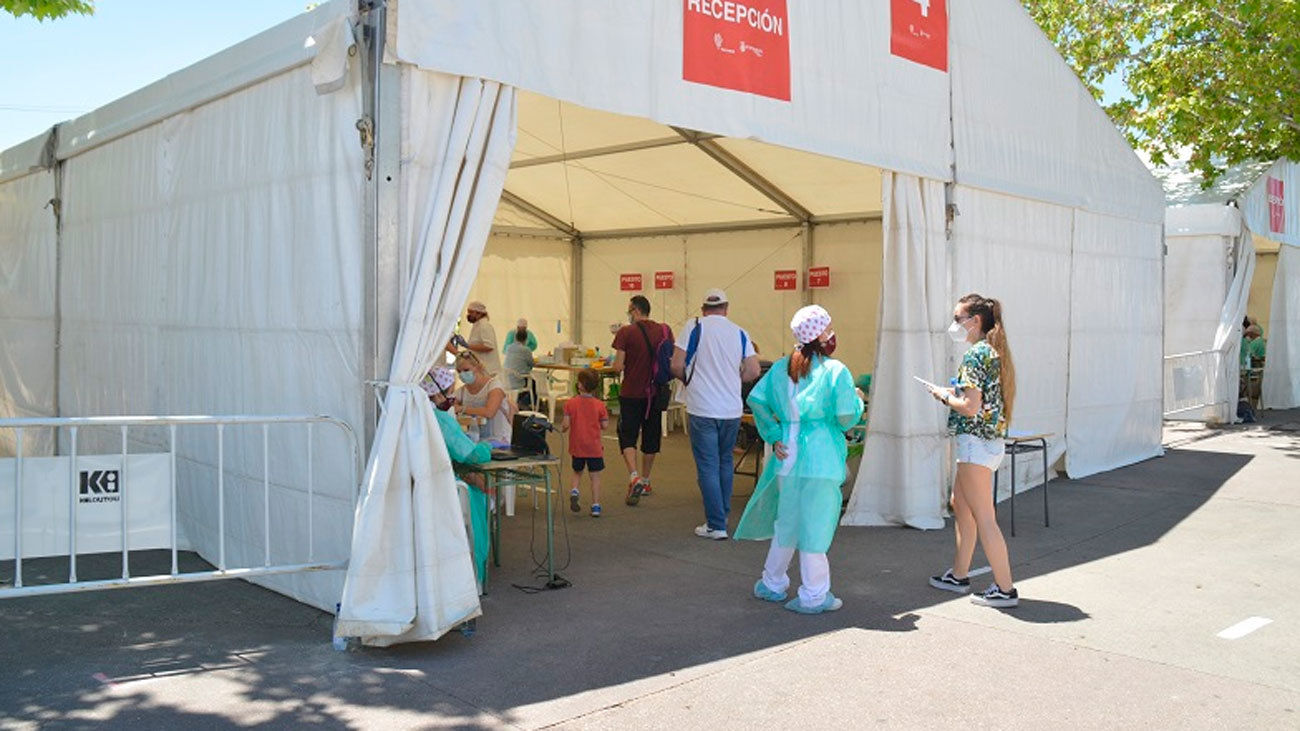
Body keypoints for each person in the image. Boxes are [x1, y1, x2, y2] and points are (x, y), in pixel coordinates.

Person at [735, 305, 862, 614]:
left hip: (787, 458)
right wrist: (857, 399)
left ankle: (772, 583)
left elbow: (757, 400)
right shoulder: (835, 371)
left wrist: (775, 434)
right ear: (820, 334)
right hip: (821, 459)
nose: (832, 333)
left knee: (787, 524)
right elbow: (846, 418)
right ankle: (815, 594)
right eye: (829, 328)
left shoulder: (781, 368)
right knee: (815, 528)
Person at [926, 293, 1019, 608]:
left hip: (975, 445)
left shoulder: (976, 355)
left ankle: (1005, 589)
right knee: (960, 505)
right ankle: (959, 574)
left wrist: (942, 395)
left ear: (975, 321)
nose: (955, 325)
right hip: (986, 444)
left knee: (984, 517)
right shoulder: (993, 352)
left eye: (958, 318)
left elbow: (969, 407)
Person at [670, 288, 760, 540]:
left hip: (702, 407)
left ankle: (716, 523)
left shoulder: (693, 326)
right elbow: (753, 370)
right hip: (730, 410)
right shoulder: (740, 332)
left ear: (703, 310)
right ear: (726, 309)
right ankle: (722, 515)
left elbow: (676, 364)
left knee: (707, 465)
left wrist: (689, 380)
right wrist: (733, 380)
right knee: (724, 462)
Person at [422, 366, 491, 591]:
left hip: (427, 487)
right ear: (438, 392)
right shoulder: (440, 418)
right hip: (448, 490)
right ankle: (475, 576)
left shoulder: (420, 413)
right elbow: (468, 453)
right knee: (482, 489)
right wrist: (487, 449)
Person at [611, 295, 674, 505]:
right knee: (651, 437)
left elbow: (618, 367)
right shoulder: (664, 330)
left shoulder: (625, 332)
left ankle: (634, 475)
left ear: (635, 310)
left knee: (627, 435)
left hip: (631, 392)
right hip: (655, 393)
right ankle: (646, 479)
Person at [562, 369, 610, 517]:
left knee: (577, 472)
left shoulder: (570, 403)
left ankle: (575, 490)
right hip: (594, 447)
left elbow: (565, 424)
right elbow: (605, 425)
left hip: (577, 446)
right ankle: (595, 505)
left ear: (580, 385)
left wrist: (563, 429)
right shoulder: (599, 405)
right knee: (595, 476)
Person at [453, 351, 515, 446]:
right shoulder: (462, 391)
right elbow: (450, 406)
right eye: (459, 371)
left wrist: (463, 409)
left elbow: (489, 412)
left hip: (499, 440)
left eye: (466, 370)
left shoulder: (494, 386)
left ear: (477, 367)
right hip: (477, 439)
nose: (462, 374)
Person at [463, 301, 502, 376]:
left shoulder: (484, 326)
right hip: (481, 369)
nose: (468, 315)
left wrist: (467, 346)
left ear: (479, 313)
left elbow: (489, 346)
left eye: (471, 312)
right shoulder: (477, 325)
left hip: (488, 370)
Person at [503, 322, 536, 409]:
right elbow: (531, 364)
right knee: (533, 383)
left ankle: (520, 402)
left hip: (506, 380)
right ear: (526, 339)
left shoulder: (509, 348)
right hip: (517, 381)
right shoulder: (526, 350)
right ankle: (529, 404)